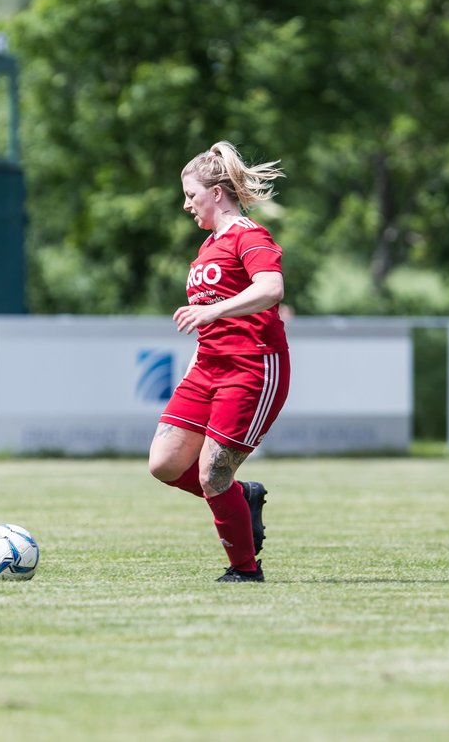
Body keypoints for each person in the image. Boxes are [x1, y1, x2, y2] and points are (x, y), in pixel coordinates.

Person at [147, 141, 291, 582]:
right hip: (207, 368)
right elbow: (210, 326)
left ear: (216, 192)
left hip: (252, 369)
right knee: (165, 463)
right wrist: (194, 366)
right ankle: (240, 496)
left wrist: (213, 310)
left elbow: (271, 288)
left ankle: (245, 570)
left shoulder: (250, 235)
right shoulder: (207, 249)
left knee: (212, 473)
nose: (186, 203)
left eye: (191, 194)